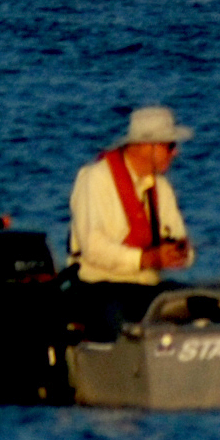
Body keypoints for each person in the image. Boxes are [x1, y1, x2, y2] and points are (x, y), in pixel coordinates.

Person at [67, 105, 195, 334]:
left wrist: (180, 253)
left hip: (146, 288)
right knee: (121, 318)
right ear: (148, 147)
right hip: (98, 288)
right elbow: (93, 248)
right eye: (170, 146)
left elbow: (181, 242)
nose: (175, 153)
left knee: (201, 305)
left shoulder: (162, 188)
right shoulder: (94, 179)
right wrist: (145, 259)